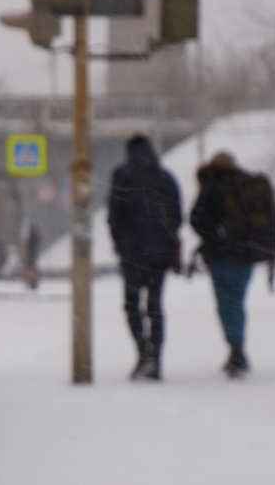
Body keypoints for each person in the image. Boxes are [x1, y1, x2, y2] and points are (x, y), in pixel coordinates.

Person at [190, 151, 275, 378]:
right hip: (248, 252)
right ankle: (236, 349)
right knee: (236, 300)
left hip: (223, 254)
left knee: (227, 302)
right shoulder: (248, 184)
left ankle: (236, 351)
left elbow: (197, 219)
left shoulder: (213, 183)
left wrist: (214, 238)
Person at [108, 134, 182, 381]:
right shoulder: (165, 177)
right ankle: (156, 360)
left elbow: (114, 214)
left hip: (132, 252)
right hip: (159, 253)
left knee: (131, 305)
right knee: (155, 305)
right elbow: (177, 216)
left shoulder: (121, 175)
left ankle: (143, 353)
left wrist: (120, 240)